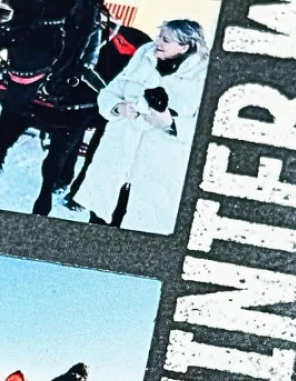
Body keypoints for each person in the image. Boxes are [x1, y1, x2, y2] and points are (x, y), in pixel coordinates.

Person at [73, 20, 210, 233]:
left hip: (157, 172)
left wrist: (171, 124)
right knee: (98, 222)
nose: (158, 42)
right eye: (159, 36)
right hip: (117, 160)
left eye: (165, 39)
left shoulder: (205, 77)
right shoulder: (144, 57)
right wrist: (118, 108)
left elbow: (208, 130)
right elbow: (108, 93)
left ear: (185, 47)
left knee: (136, 231)